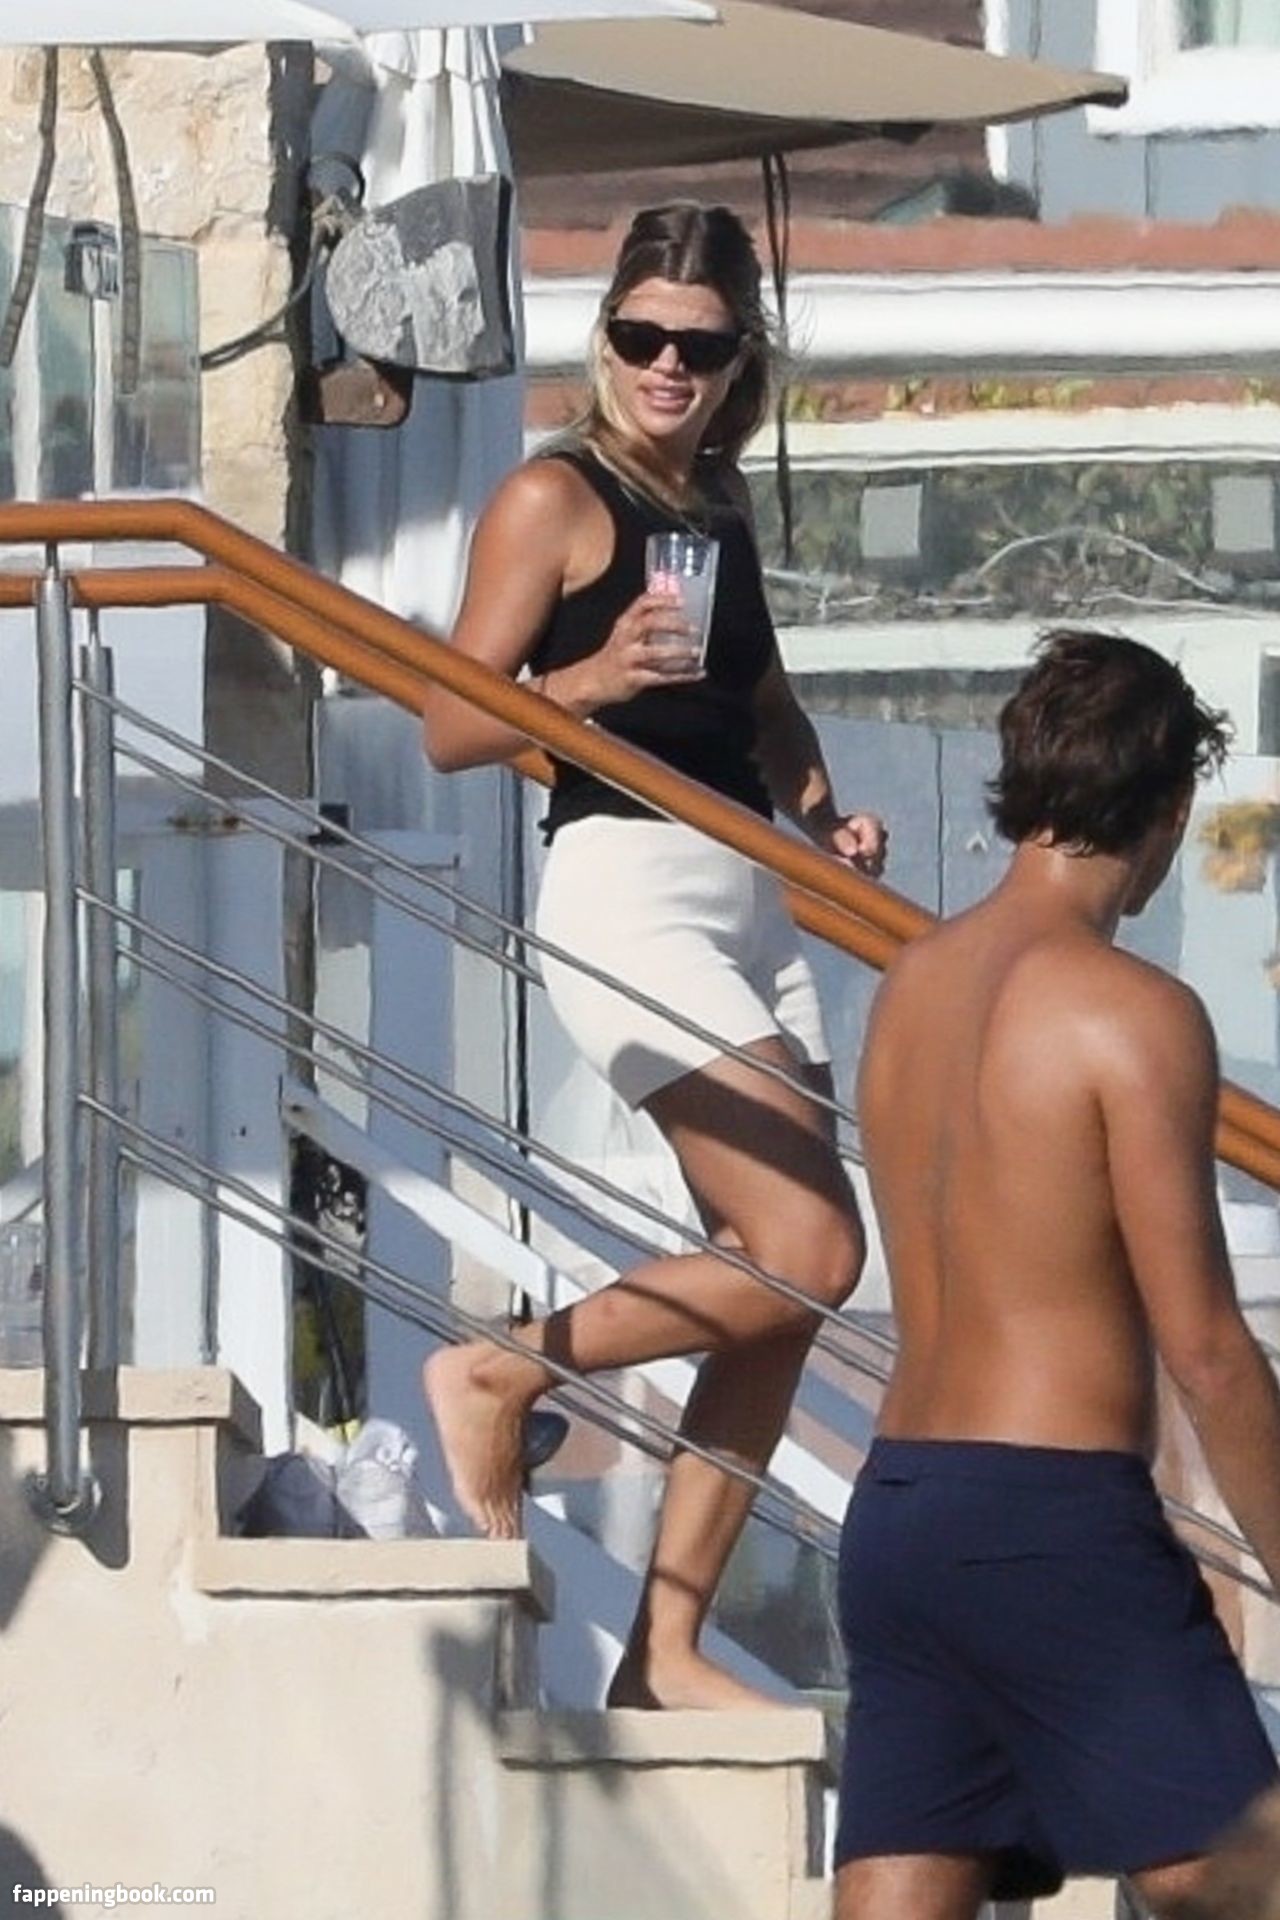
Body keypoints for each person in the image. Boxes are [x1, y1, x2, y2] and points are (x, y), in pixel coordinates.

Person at [420, 200, 885, 1711]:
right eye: (640, 336)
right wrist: (592, 677)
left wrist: (824, 814)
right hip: (626, 880)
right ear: (606, 336)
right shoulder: (553, 498)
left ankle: (663, 1657)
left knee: (783, 1283)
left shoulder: (720, 502)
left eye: (699, 343)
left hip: (750, 885)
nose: (667, 366)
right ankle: (506, 1366)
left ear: (741, 357)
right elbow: (451, 720)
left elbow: (764, 703)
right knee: (812, 1246)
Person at [837, 627, 1280, 1918]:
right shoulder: (1132, 1012)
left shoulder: (911, 986)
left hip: (902, 1510)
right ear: (1171, 807)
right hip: (1050, 1520)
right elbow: (1204, 1348)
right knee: (1248, 1881)